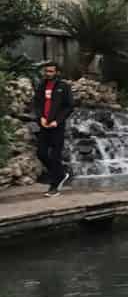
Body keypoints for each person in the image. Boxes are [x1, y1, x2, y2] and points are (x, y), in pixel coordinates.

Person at [33, 61, 74, 197]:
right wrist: (41, 118)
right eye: (46, 71)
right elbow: (37, 104)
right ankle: (61, 174)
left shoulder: (64, 86)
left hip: (57, 126)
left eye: (51, 71)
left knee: (55, 156)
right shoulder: (41, 86)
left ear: (57, 72)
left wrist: (57, 121)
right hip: (44, 125)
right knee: (41, 153)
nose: (48, 74)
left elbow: (69, 106)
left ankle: (54, 186)